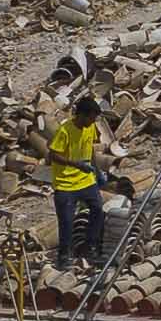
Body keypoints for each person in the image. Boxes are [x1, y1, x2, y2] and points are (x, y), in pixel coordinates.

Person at [43, 70, 109, 268]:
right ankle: (64, 256)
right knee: (66, 220)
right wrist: (76, 165)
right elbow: (52, 155)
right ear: (81, 115)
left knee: (98, 209)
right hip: (65, 183)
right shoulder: (65, 130)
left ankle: (90, 248)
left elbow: (89, 151)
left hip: (85, 180)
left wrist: (97, 171)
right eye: (91, 118)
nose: (92, 122)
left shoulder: (89, 128)